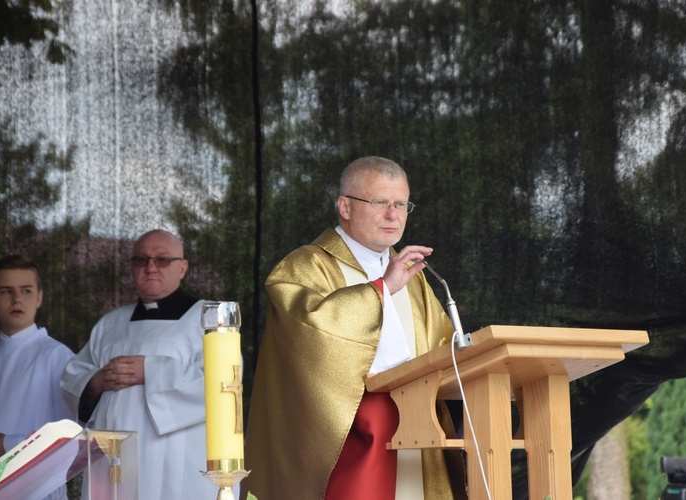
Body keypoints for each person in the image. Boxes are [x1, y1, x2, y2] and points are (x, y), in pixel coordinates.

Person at [243, 156, 466, 499]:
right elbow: (311, 331)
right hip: (348, 439)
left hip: (417, 430)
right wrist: (381, 291)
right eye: (380, 202)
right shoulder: (304, 266)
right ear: (345, 207)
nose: (393, 214)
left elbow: (441, 349)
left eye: (401, 204)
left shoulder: (416, 279)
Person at [60, 229, 232, 499]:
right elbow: (73, 379)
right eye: (141, 260)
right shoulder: (110, 324)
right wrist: (96, 381)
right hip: (114, 457)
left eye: (162, 260)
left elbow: (224, 383)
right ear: (131, 266)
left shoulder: (209, 317)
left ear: (182, 267)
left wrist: (151, 370)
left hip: (176, 455)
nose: (151, 267)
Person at [0, 254, 75, 500]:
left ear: (40, 298)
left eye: (26, 291)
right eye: (6, 291)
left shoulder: (59, 357)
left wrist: (7, 445)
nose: (17, 299)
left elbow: (72, 436)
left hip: (37, 491)